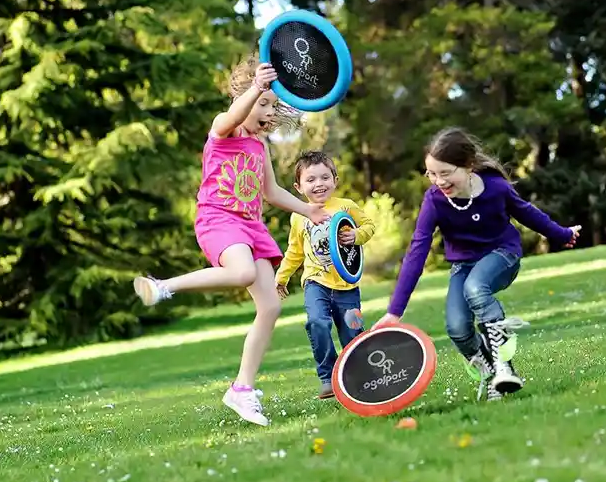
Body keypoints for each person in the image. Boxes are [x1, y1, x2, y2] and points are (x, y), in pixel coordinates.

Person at [133, 56, 330, 427]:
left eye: (273, 105)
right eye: (263, 104)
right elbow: (230, 117)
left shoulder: (259, 146)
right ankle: (162, 287)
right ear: (244, 97)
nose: (269, 112)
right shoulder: (222, 131)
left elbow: (271, 192)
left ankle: (241, 389)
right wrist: (256, 87)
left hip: (250, 226)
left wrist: (310, 210)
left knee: (270, 307)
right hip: (218, 220)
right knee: (241, 273)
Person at [374, 127, 580, 402]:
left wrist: (562, 234)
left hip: (503, 254)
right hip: (464, 265)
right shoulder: (434, 202)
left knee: (476, 287)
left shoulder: (496, 188)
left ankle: (503, 361)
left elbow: (527, 214)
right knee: (457, 328)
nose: (438, 181)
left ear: (468, 166)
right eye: (432, 174)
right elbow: (417, 252)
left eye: (445, 173)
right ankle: (496, 373)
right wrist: (394, 312)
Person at [275, 151, 376, 399]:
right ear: (298, 187)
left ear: (335, 179)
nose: (319, 184)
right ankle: (328, 376)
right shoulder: (299, 215)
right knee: (317, 323)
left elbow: (369, 226)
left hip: (347, 286)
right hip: (315, 284)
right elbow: (295, 251)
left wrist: (357, 236)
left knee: (353, 331)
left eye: (324, 177)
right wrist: (281, 277)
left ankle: (360, 374)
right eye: (311, 180)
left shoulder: (346, 206)